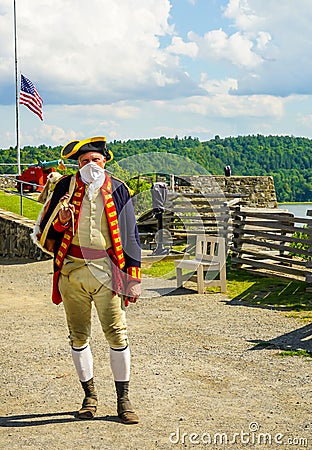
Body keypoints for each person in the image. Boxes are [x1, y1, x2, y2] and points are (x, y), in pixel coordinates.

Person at [39, 136, 141, 424]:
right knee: (78, 336)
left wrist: (132, 275)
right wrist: (61, 219)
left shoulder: (119, 188)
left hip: (106, 272)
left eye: (95, 160)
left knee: (117, 335)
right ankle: (90, 396)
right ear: (77, 165)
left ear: (104, 161)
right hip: (71, 271)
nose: (90, 165)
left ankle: (123, 400)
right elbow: (46, 231)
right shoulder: (64, 188)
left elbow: (131, 234)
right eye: (84, 161)